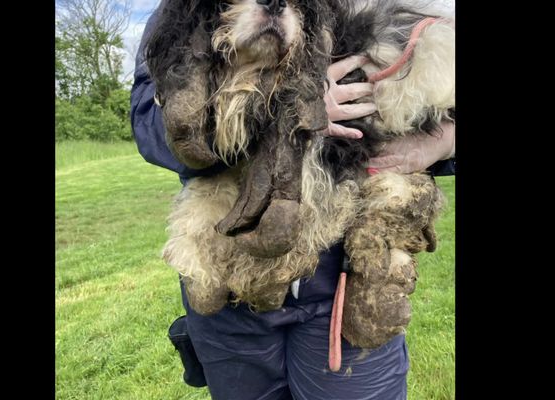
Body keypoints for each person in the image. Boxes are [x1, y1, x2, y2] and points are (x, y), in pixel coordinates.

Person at [130, 8, 455, 400]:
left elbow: (435, 82)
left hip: (347, 280)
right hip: (227, 266)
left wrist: (441, 141)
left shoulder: (381, 12)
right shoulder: (181, 15)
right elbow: (149, 122)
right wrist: (283, 114)